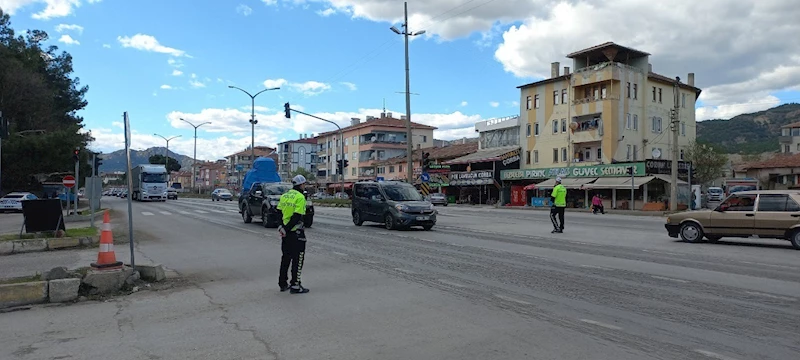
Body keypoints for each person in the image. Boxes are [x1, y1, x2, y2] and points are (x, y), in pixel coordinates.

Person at [277, 174, 310, 294]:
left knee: (285, 258)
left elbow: (279, 212)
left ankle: (282, 283)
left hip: (285, 234)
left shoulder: (284, 195)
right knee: (298, 259)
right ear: (301, 185)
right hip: (296, 233)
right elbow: (297, 216)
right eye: (304, 184)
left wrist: (281, 227)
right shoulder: (300, 197)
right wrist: (287, 228)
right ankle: (295, 285)